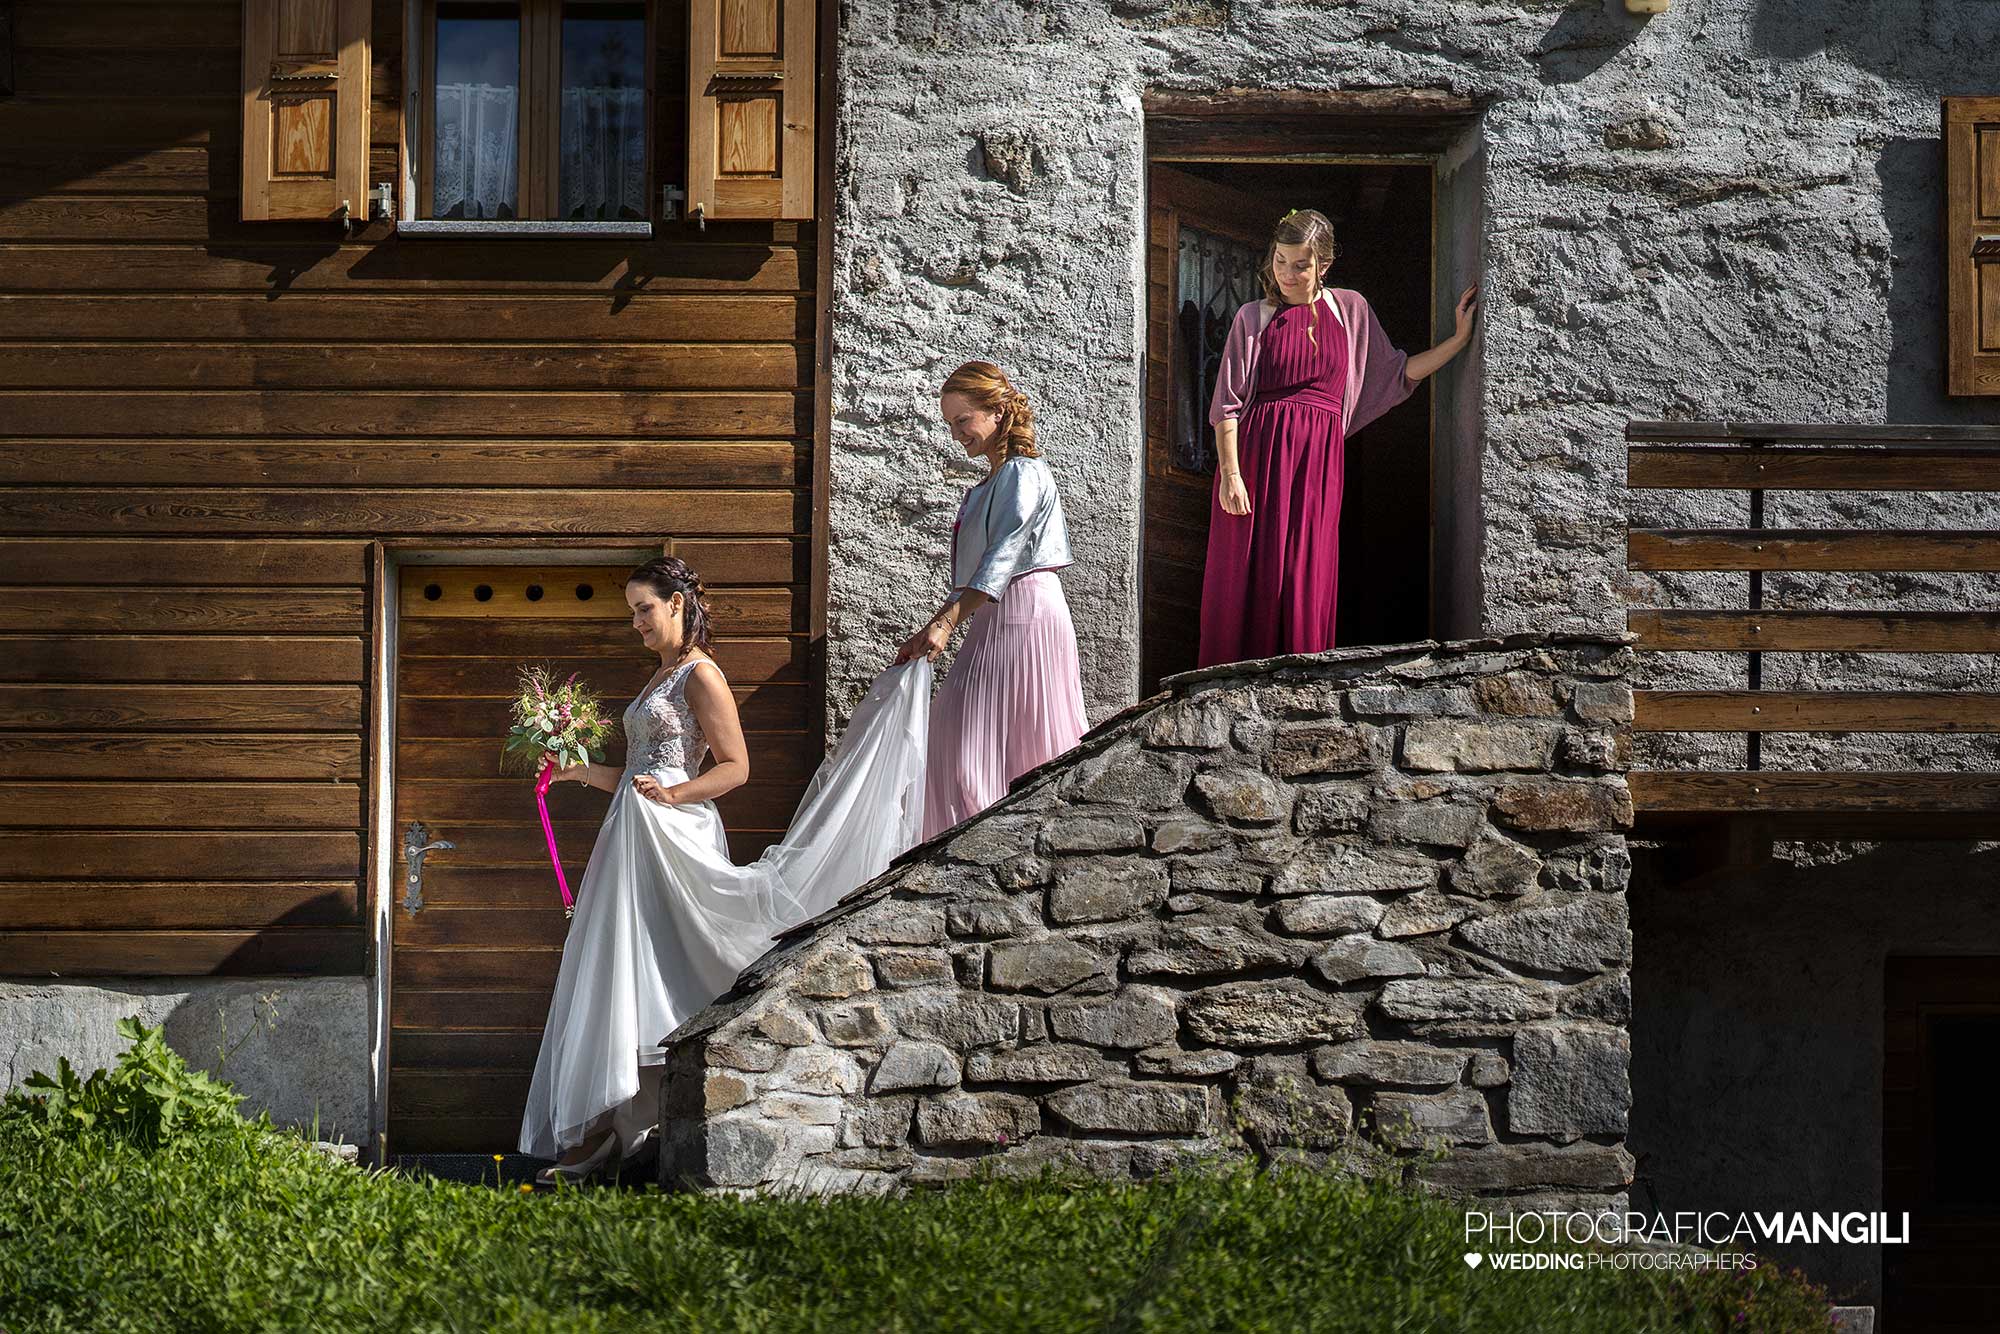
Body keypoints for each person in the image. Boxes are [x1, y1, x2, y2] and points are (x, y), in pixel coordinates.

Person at [520, 556, 930, 1183]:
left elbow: (735, 767)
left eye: (643, 609)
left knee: (675, 960)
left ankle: (648, 1118)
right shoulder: (660, 674)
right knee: (623, 963)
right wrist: (577, 772)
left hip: (672, 833)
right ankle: (610, 1129)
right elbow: (637, 774)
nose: (636, 623)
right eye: (631, 612)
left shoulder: (700, 674)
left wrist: (676, 796)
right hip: (633, 835)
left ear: (677, 603)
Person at [1198, 207, 1478, 666]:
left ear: (1323, 265)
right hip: (1257, 461)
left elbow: (1397, 374)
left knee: (1306, 570)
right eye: (1281, 261)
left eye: (1300, 264)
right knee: (1252, 571)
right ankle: (1229, 687)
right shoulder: (1254, 316)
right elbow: (1226, 406)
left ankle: (1299, 686)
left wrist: (1457, 342)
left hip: (1318, 464)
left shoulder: (1351, 311)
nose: (1287, 273)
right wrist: (1231, 474)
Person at [895, 361, 1088, 841]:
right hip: (991, 616)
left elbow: (1003, 557)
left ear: (999, 411)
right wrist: (930, 627)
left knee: (987, 748)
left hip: (1026, 612)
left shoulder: (1024, 473)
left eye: (964, 420)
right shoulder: (983, 487)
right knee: (953, 743)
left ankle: (1010, 851)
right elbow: (972, 575)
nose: (957, 433)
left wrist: (945, 624)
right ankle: (975, 855)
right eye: (950, 424)